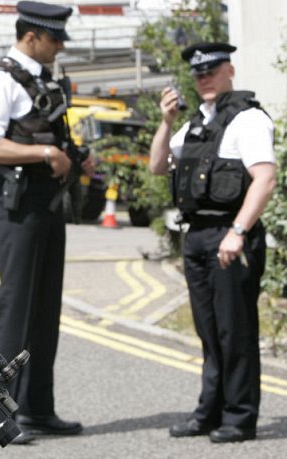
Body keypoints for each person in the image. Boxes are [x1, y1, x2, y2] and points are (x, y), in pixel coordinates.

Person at [0, 0, 91, 443]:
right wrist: (46, 152)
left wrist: (74, 156)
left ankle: (38, 408)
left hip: (48, 202)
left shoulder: (45, 80)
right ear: (31, 36)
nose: (60, 46)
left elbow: (47, 132)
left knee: (44, 308)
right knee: (17, 306)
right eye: (55, 39)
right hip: (17, 205)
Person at [149, 42, 276, 443]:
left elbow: (265, 179)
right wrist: (166, 121)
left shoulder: (248, 119)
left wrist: (238, 231)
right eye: (199, 73)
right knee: (208, 330)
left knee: (234, 331)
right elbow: (157, 165)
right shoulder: (196, 123)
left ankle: (239, 417)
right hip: (198, 235)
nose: (204, 78)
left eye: (212, 71)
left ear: (229, 71)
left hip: (230, 234)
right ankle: (210, 411)